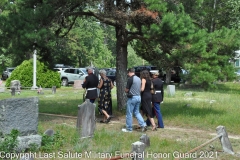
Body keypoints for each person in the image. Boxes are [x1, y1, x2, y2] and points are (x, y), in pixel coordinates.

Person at [122, 68, 147, 133]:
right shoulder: (138, 78)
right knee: (137, 112)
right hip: (138, 97)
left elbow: (127, 89)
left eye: (128, 73)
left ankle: (129, 128)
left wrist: (125, 90)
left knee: (129, 113)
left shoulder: (130, 79)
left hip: (132, 98)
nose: (128, 74)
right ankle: (143, 124)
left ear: (130, 72)